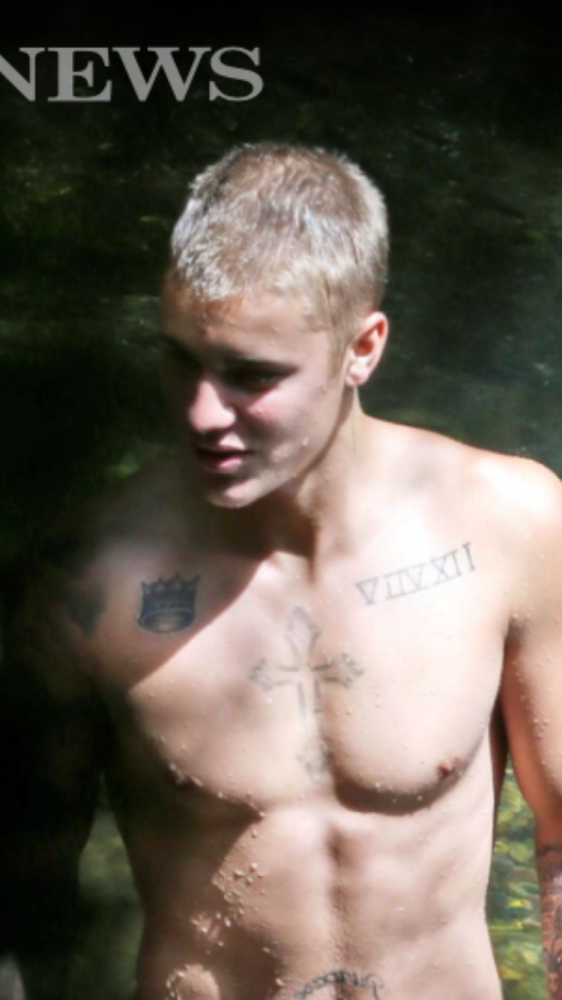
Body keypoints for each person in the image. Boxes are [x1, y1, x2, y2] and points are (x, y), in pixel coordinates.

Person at [2, 142, 562, 1000]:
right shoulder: (88, 583)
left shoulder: (512, 528)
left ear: (362, 348)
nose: (202, 412)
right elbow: (27, 903)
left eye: (251, 376)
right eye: (180, 358)